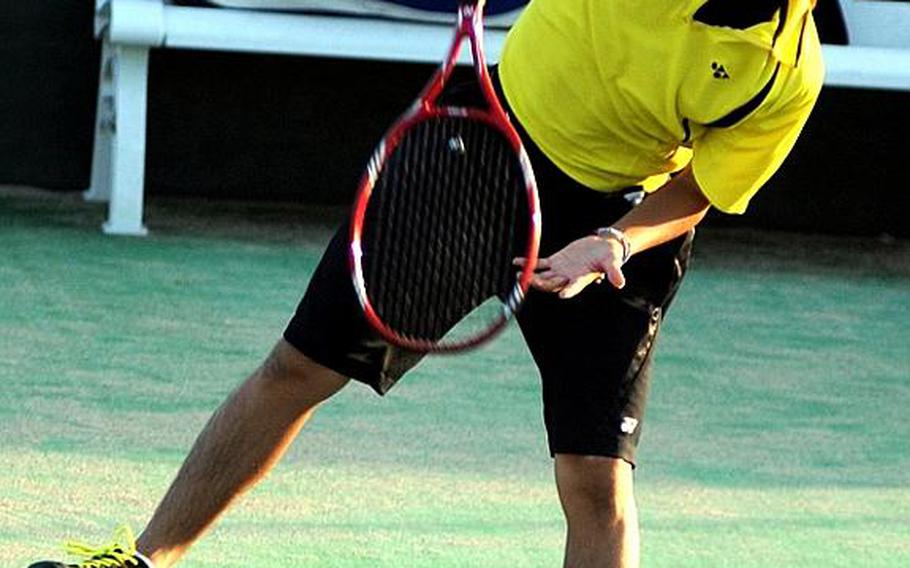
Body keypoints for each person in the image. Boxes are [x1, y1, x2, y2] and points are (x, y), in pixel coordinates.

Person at [30, 1, 823, 567]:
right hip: (477, 146)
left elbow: (701, 189)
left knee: (596, 477)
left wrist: (612, 240)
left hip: (619, 218)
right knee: (300, 366)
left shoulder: (787, 73)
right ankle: (143, 560)